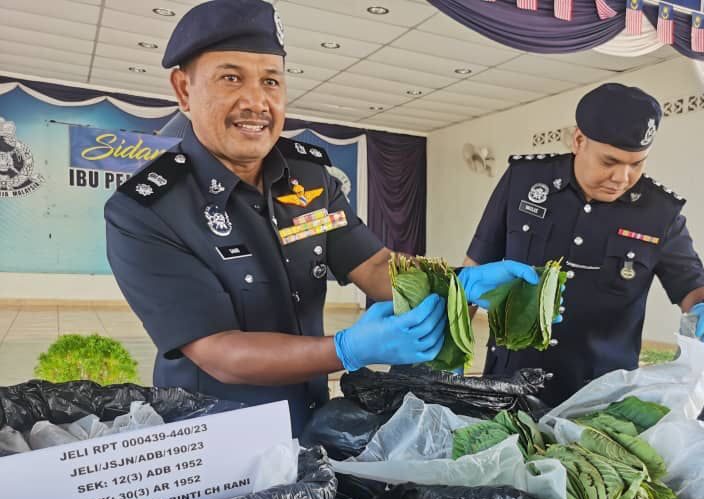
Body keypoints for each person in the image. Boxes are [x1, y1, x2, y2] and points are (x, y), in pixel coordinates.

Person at [104, 0, 538, 434]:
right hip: (215, 439)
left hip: (313, 420)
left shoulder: (309, 179)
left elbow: (370, 265)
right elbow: (219, 352)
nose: (256, 101)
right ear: (183, 89)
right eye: (231, 77)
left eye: (271, 80)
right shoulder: (147, 209)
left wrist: (458, 284)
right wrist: (347, 349)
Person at [464, 82, 704, 405]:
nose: (622, 177)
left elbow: (692, 284)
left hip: (600, 396)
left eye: (637, 163)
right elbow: (474, 270)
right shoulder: (524, 181)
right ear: (579, 141)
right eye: (610, 162)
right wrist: (445, 346)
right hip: (509, 380)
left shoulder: (659, 213)